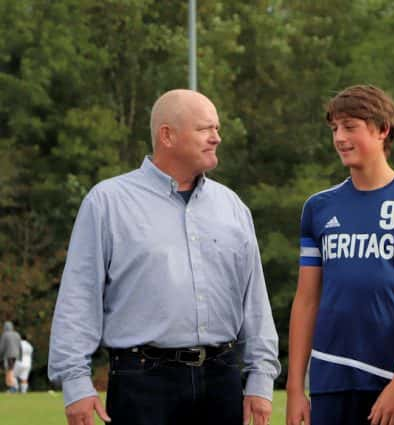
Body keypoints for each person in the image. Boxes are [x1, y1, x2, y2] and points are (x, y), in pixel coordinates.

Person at [48, 89, 280, 425]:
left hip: (223, 382)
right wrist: (75, 382)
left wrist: (260, 378)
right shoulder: (108, 203)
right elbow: (78, 297)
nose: (217, 138)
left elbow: (254, 301)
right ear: (167, 135)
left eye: (217, 128)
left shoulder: (233, 207)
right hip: (142, 386)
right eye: (205, 129)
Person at [286, 85, 394, 425]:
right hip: (331, 380)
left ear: (382, 130)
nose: (339, 138)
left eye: (350, 126)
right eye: (334, 128)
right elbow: (306, 301)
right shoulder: (319, 208)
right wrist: (293, 390)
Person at [0, 321, 22, 392]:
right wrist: (20, 357)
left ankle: (13, 387)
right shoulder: (17, 334)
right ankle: (10, 387)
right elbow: (20, 347)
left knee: (9, 370)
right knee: (10, 370)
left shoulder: (5, 335)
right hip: (16, 355)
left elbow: (2, 347)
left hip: (8, 355)